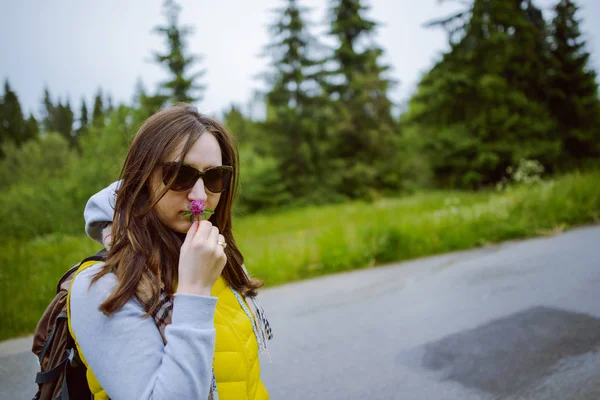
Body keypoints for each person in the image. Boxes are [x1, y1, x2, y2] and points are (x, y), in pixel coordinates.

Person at [68, 104, 272, 400]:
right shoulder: (102, 285)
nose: (200, 197)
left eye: (215, 177)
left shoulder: (215, 260)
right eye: (179, 175)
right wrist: (194, 291)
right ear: (142, 179)